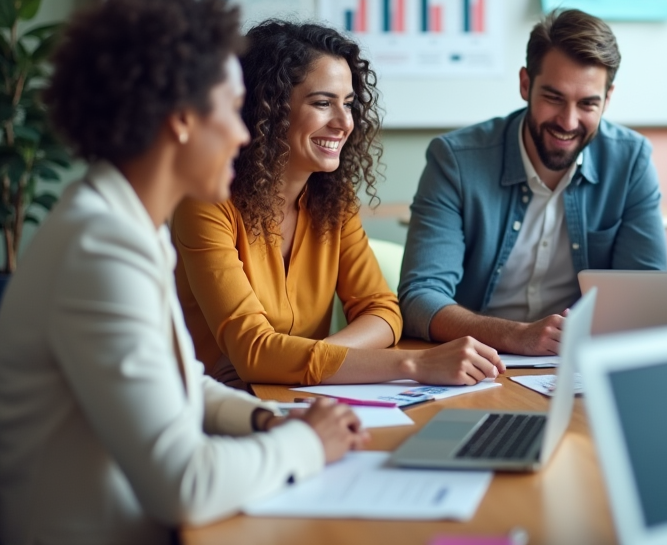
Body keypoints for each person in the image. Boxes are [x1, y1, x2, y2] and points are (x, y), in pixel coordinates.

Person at [0, 0, 366, 545]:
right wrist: (309, 444)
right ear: (182, 120)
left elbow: (179, 377)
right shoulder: (100, 252)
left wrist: (268, 420)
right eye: (233, 111)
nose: (245, 134)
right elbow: (182, 484)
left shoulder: (122, 221)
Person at [173, 20, 502, 387]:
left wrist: (305, 359)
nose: (345, 122)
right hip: (217, 410)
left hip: (300, 397)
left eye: (348, 104)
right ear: (266, 109)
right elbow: (254, 354)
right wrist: (413, 364)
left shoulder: (333, 204)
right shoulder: (205, 204)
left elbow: (384, 312)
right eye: (322, 103)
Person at [399, 9, 667, 354]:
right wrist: (514, 335)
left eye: (588, 104)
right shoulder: (455, 160)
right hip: (478, 359)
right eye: (553, 98)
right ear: (525, 84)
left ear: (608, 98)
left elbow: (645, 295)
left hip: (579, 361)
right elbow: (420, 297)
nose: (568, 122)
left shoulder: (631, 161)